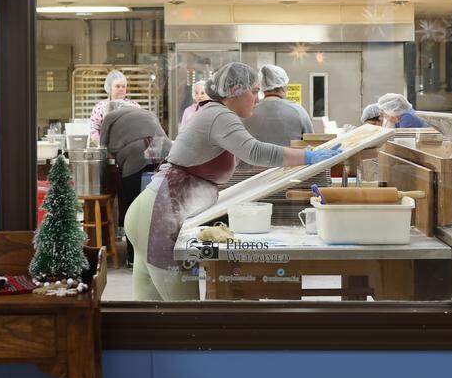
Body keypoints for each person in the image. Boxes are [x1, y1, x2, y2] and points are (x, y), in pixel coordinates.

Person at [123, 62, 341, 301]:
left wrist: (288, 166)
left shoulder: (214, 113)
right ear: (235, 90)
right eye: (254, 91)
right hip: (159, 217)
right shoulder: (220, 115)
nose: (258, 99)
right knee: (186, 315)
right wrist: (307, 157)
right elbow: (255, 151)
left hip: (150, 213)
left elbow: (242, 161)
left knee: (150, 314)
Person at [99, 100, 172, 266]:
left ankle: (134, 258)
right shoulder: (145, 112)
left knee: (133, 206)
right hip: (163, 151)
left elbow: (103, 149)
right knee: (159, 206)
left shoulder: (109, 116)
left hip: (135, 155)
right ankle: (162, 255)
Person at [242, 64, 313, 146]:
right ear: (283, 87)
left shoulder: (248, 112)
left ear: (262, 86)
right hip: (291, 158)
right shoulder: (298, 111)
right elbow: (311, 143)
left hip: (254, 159)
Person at [87, 69, 139, 142]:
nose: (121, 89)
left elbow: (140, 127)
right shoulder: (100, 107)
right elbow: (93, 129)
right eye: (117, 86)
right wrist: (101, 145)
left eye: (123, 86)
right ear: (110, 88)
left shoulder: (134, 106)